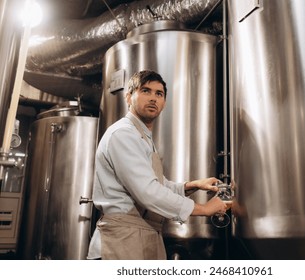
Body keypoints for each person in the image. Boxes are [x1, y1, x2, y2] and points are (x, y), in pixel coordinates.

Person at [87, 70, 227, 260]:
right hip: (122, 240)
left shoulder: (142, 136)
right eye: (145, 91)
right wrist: (203, 209)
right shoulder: (123, 134)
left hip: (141, 236)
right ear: (128, 97)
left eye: (158, 94)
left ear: (164, 102)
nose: (153, 98)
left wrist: (191, 186)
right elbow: (148, 192)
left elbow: (156, 183)